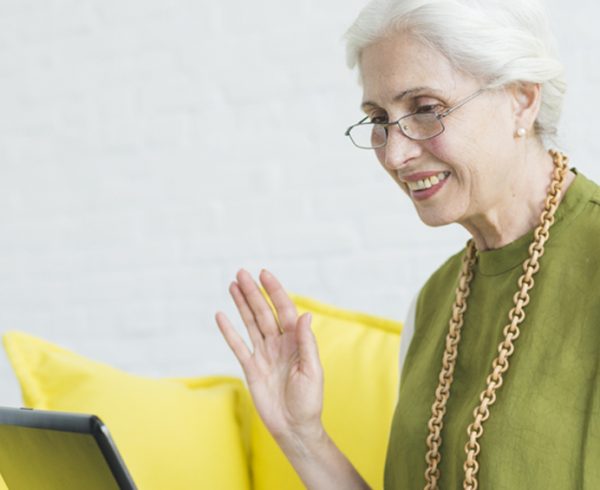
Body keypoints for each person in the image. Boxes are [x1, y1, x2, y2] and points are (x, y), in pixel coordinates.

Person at [216, 0, 600, 488]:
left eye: (425, 110)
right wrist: (300, 435)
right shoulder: (435, 301)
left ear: (521, 99)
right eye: (379, 117)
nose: (395, 154)